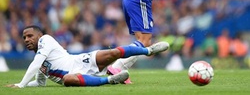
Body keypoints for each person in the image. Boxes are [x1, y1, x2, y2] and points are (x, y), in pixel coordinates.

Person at [6, 25, 169, 88]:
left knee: (113, 53)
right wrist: (23, 85)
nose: (27, 39)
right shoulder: (41, 63)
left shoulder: (45, 40)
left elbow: (35, 64)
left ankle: (148, 51)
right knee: (67, 80)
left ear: (39, 35)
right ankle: (111, 80)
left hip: (81, 60)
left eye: (30, 36)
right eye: (24, 37)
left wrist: (21, 85)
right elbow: (40, 84)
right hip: (76, 75)